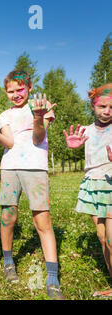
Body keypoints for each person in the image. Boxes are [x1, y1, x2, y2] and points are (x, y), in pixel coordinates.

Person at [0, 69, 63, 299]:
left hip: (36, 168)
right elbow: (10, 143)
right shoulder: (5, 115)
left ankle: (52, 275)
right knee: (8, 216)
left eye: (20, 89)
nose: (16, 94)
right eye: (10, 91)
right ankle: (8, 262)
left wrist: (37, 116)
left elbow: (38, 138)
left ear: (30, 87)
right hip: (10, 167)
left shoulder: (42, 105)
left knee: (42, 219)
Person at [63, 83, 112, 298]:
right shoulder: (87, 131)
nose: (107, 111)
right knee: (102, 238)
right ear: (93, 105)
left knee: (111, 239)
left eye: (111, 107)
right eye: (102, 106)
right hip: (93, 185)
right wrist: (73, 148)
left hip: (111, 185)